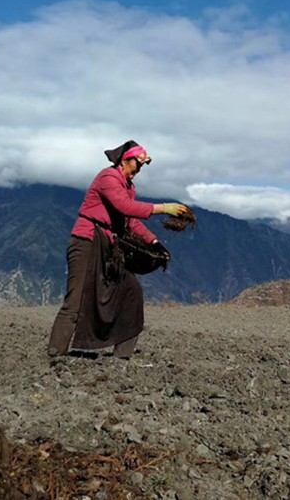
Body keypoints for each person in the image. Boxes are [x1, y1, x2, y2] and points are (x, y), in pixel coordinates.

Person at [47, 140, 188, 359]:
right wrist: (163, 208)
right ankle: (56, 354)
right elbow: (125, 207)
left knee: (131, 291)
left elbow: (129, 221)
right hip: (86, 241)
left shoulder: (128, 187)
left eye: (141, 166)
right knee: (76, 299)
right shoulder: (108, 178)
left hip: (109, 246)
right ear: (125, 160)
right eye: (137, 164)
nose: (139, 170)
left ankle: (122, 355)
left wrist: (154, 243)